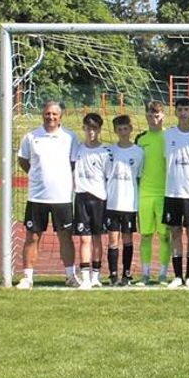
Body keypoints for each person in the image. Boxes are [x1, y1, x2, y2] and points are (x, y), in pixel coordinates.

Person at [15, 100, 80, 289]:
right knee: (32, 237)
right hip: (37, 197)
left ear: (61, 116)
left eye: (54, 114)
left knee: (65, 236)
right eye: (47, 113)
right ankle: (27, 277)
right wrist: (38, 176)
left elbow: (74, 162)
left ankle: (70, 276)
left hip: (62, 198)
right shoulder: (31, 137)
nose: (50, 117)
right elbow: (23, 160)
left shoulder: (70, 137)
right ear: (42, 114)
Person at [163, 98, 189, 289]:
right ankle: (178, 276)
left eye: (186, 109)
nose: (183, 113)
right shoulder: (168, 134)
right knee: (175, 233)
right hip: (172, 192)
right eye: (180, 109)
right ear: (175, 112)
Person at [105, 114, 144, 286]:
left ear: (130, 129)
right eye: (119, 129)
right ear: (115, 131)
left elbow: (139, 176)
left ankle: (126, 274)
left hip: (129, 203)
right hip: (112, 202)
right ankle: (113, 275)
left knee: (127, 239)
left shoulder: (139, 152)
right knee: (113, 239)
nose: (123, 132)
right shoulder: (109, 151)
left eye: (125, 129)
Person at [72, 112, 111, 289]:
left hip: (99, 199)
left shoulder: (105, 152)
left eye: (95, 128)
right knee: (84, 239)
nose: (91, 132)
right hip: (81, 197)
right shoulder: (78, 149)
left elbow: (109, 178)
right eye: (88, 128)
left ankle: (96, 276)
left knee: (97, 238)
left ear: (100, 129)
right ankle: (85, 277)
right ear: (84, 128)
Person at [135, 101, 172, 285]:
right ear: (146, 117)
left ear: (163, 116)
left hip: (164, 194)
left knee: (165, 235)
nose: (153, 119)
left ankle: (163, 274)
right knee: (146, 235)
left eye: (156, 115)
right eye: (150, 115)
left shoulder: (170, 137)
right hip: (144, 195)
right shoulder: (140, 139)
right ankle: (146, 274)